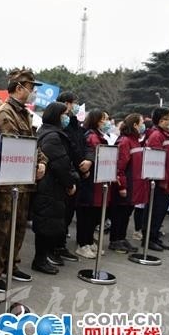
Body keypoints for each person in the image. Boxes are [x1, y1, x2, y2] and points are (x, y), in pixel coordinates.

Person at [0, 67, 47, 291]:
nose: (33, 92)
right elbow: (13, 145)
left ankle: (10, 264)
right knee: (1, 228)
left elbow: (33, 144)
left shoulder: (24, 114)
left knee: (18, 227)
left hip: (22, 179)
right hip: (6, 180)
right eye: (31, 88)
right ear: (19, 88)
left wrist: (42, 162)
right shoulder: (5, 112)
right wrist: (34, 163)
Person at [32, 102, 79, 274]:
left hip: (49, 185)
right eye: (64, 114)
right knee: (46, 225)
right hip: (50, 186)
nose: (67, 117)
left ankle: (42, 258)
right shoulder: (53, 136)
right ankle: (40, 260)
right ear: (56, 115)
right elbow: (61, 164)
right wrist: (70, 183)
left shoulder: (47, 132)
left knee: (46, 223)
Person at [54, 91, 91, 263]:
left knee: (68, 214)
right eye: (72, 103)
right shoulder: (58, 126)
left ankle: (60, 245)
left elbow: (84, 146)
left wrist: (87, 161)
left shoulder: (76, 124)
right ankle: (55, 247)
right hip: (63, 175)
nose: (75, 106)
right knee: (59, 215)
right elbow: (65, 152)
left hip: (77, 173)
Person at [109, 113, 147, 253]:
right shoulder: (125, 141)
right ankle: (115, 240)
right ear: (135, 125)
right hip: (126, 185)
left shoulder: (134, 140)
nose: (143, 125)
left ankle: (121, 238)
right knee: (120, 214)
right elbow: (119, 167)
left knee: (126, 214)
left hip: (134, 185)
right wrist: (122, 186)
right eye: (142, 122)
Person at [75, 109, 111, 259]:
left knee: (93, 215)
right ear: (96, 120)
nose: (107, 122)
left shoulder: (100, 136)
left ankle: (89, 241)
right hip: (89, 184)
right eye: (104, 119)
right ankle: (82, 244)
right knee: (86, 215)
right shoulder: (91, 137)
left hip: (98, 183)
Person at [144, 107, 169, 251]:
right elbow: (156, 162)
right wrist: (163, 180)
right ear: (160, 121)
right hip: (159, 183)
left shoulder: (166, 135)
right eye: (168, 119)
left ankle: (155, 237)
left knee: (161, 212)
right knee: (155, 211)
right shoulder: (156, 136)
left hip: (167, 181)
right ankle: (149, 239)